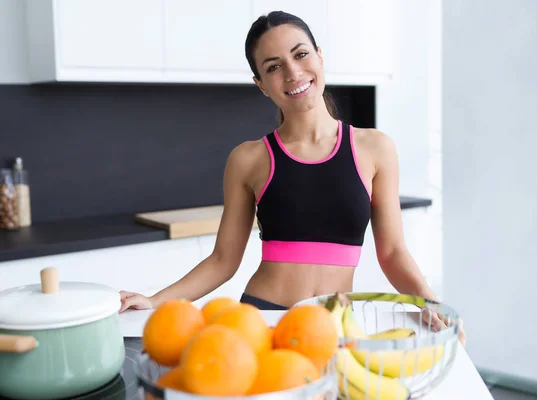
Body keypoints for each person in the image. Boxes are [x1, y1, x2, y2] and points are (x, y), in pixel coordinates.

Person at [119, 11, 466, 346]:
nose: (293, 72)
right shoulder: (248, 159)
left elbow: (391, 252)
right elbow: (223, 261)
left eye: (300, 54)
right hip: (262, 319)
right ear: (261, 85)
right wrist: (154, 300)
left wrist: (430, 301)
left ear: (320, 56)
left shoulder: (376, 148)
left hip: (334, 325)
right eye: (273, 66)